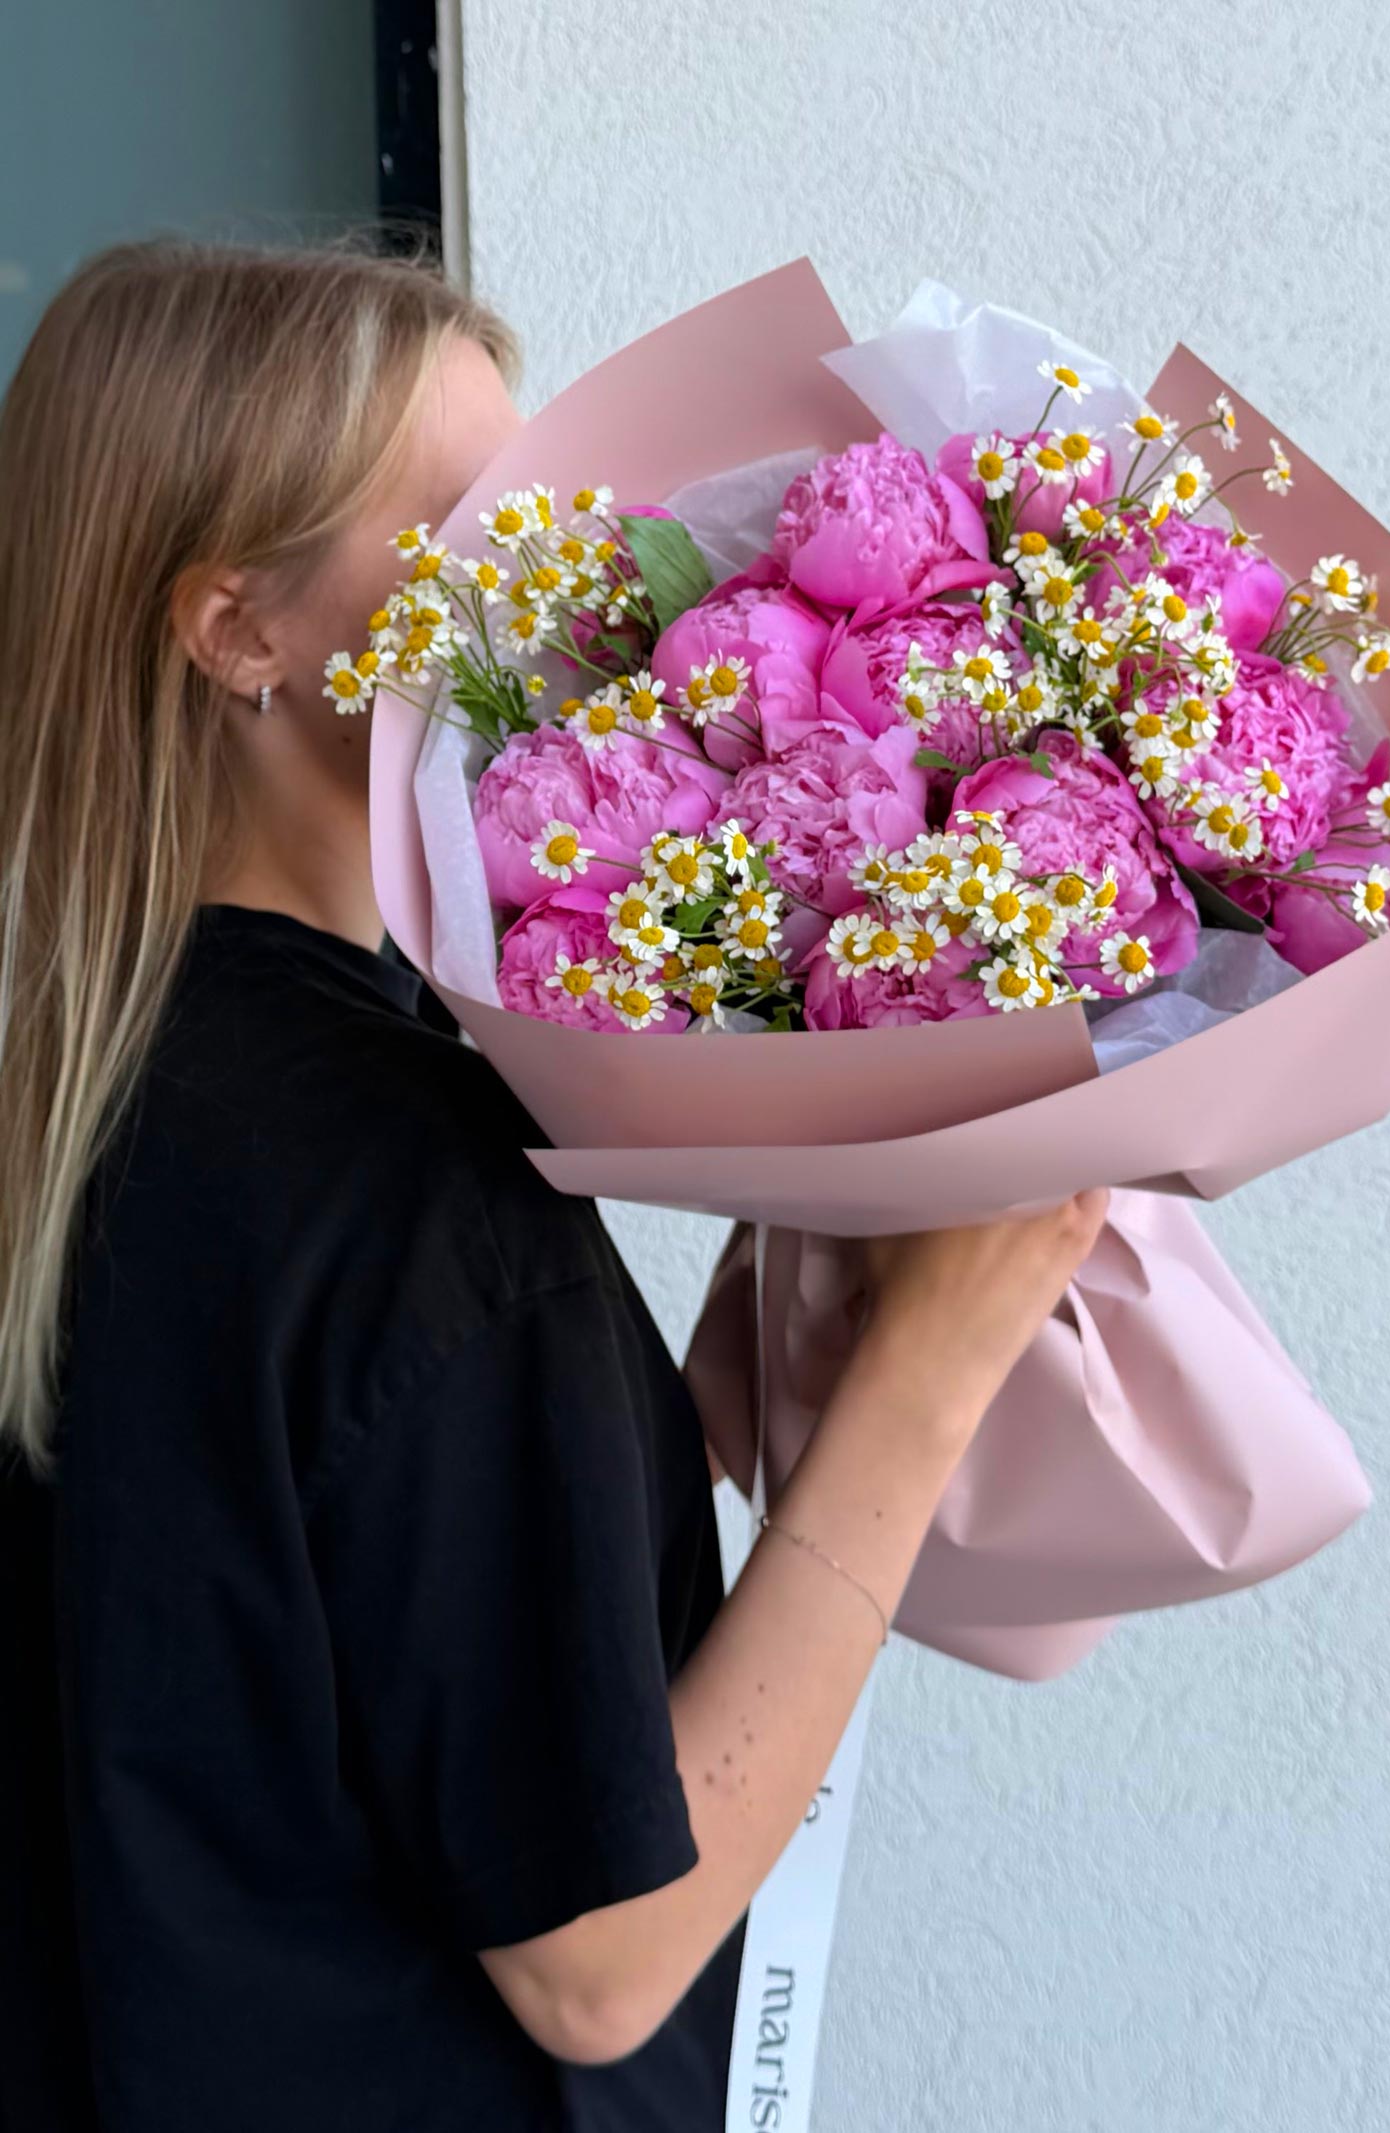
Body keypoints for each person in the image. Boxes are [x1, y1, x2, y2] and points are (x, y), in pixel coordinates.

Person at [0, 239, 1110, 2133]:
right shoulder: (405, 1172)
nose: (563, 581)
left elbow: (301, 1657)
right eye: (464, 523)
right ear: (234, 633)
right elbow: (596, 1962)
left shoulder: (87, 1092)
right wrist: (933, 1363)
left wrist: (676, 1410)